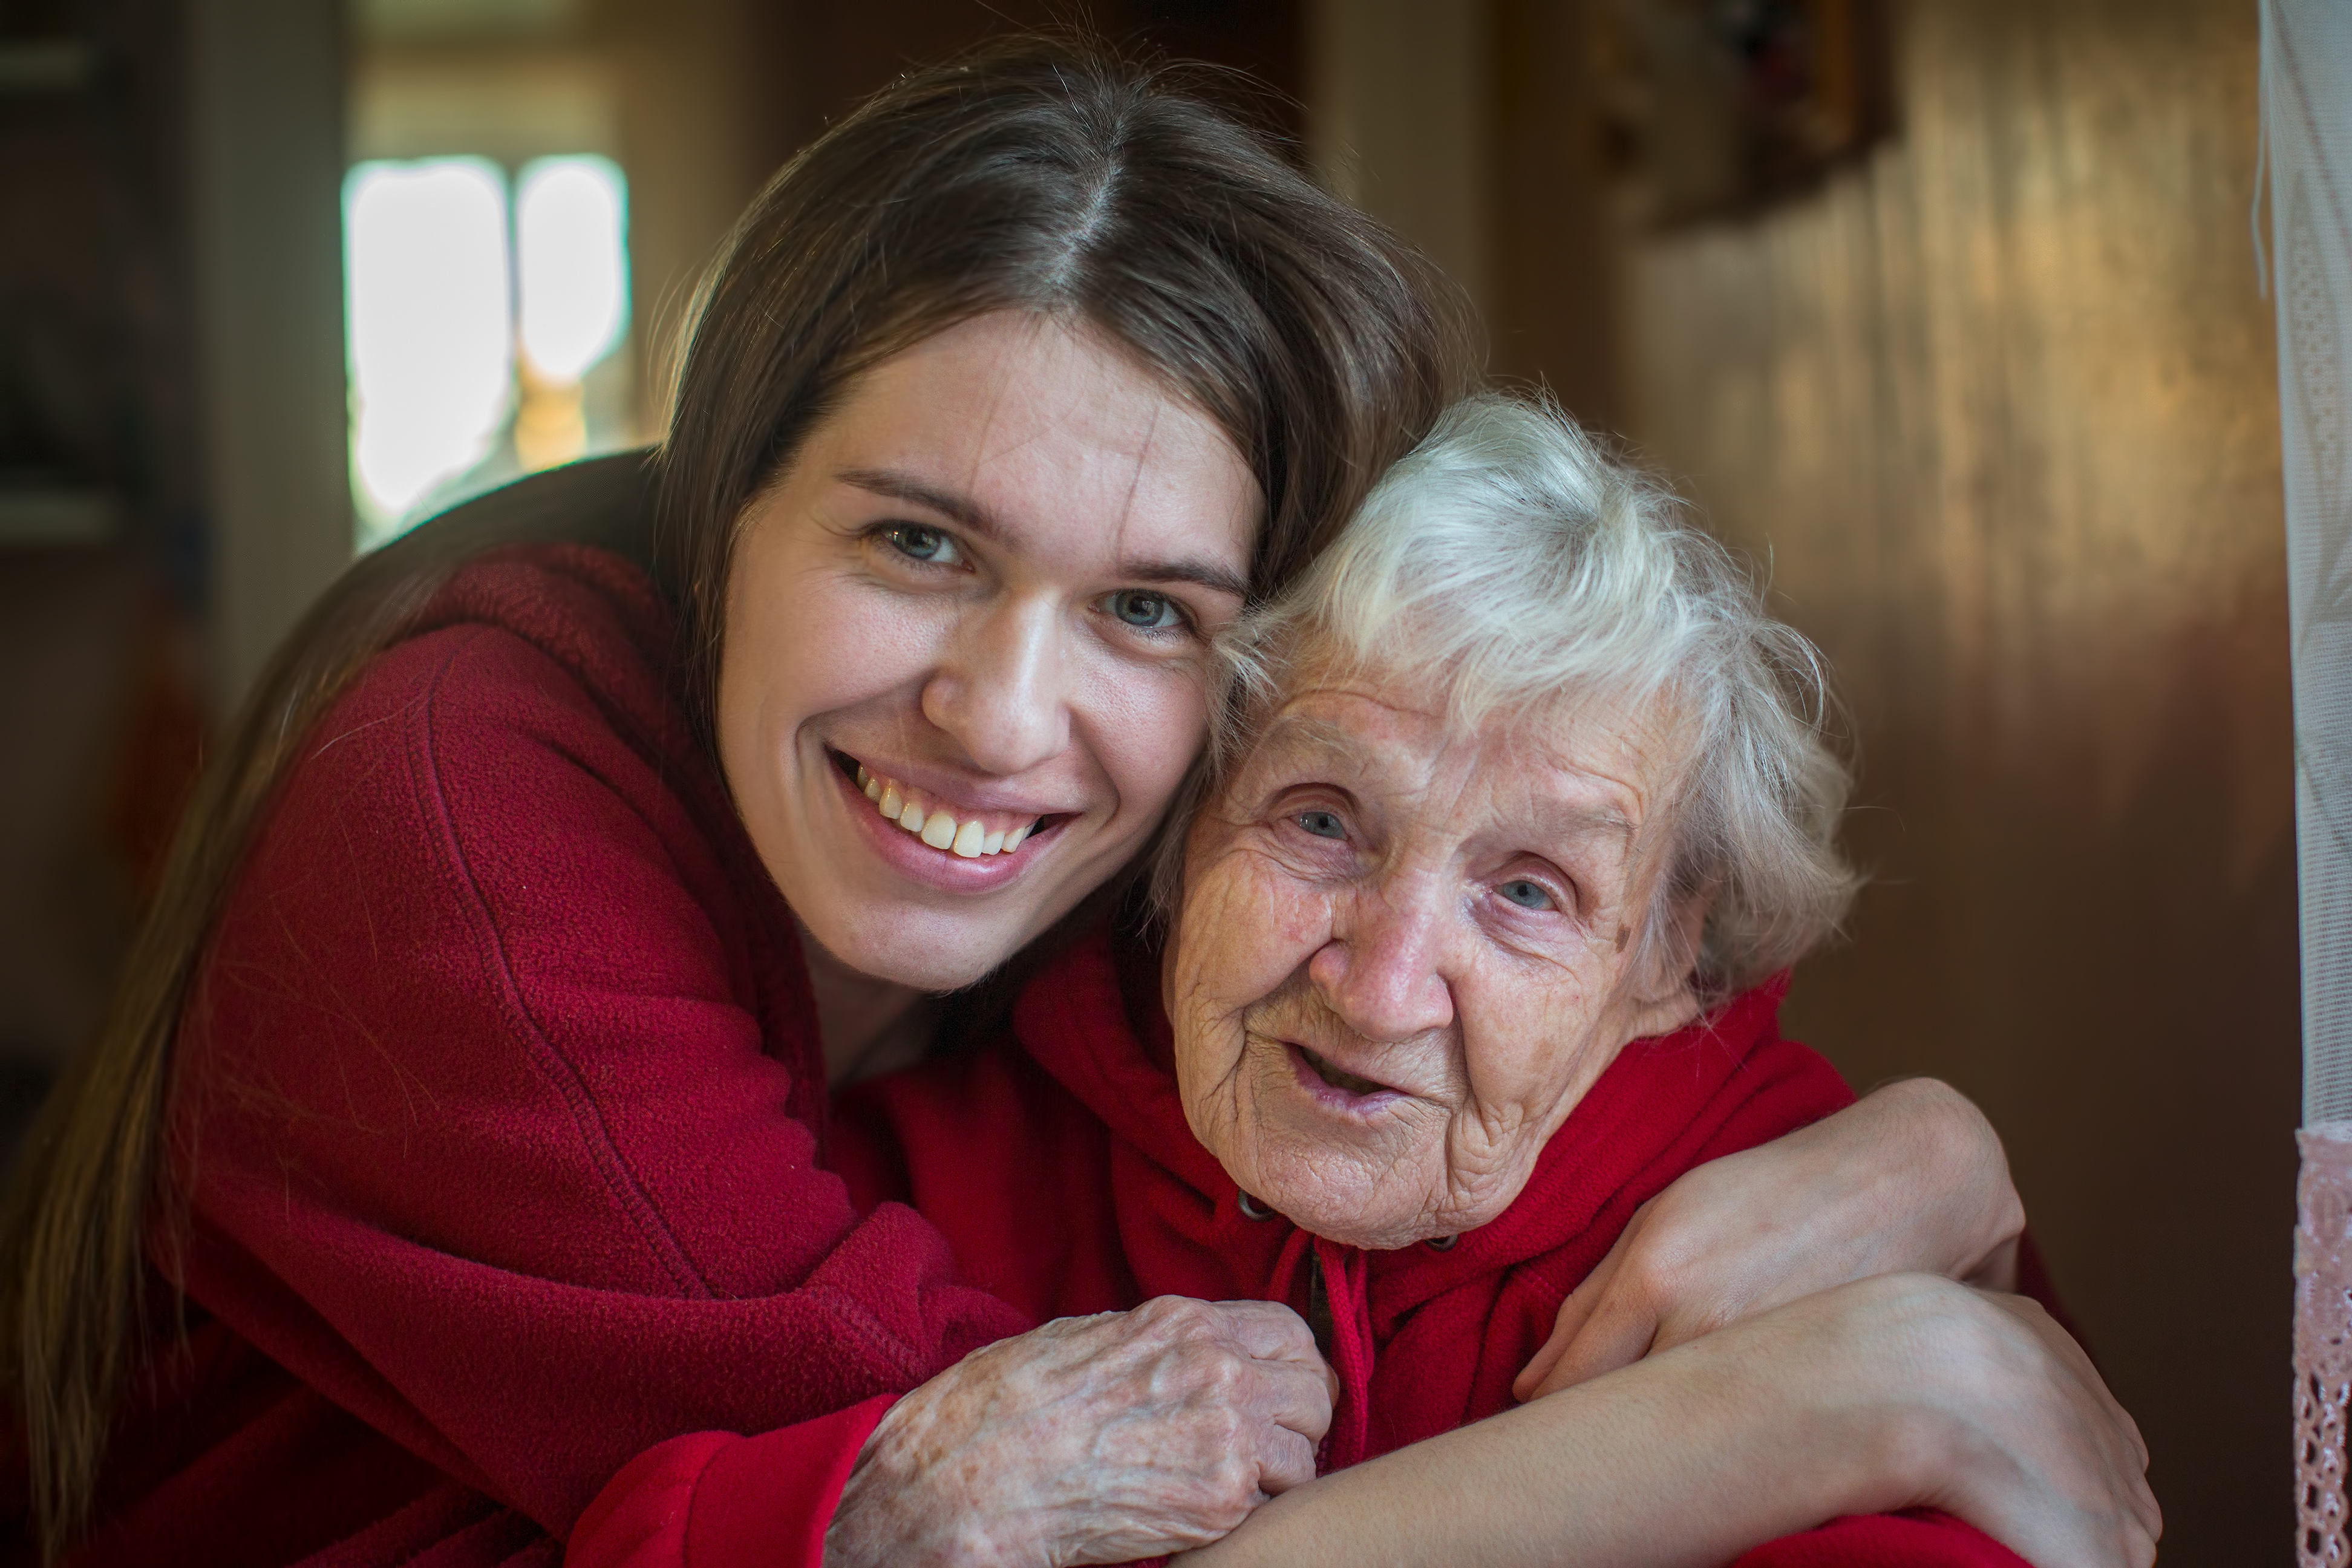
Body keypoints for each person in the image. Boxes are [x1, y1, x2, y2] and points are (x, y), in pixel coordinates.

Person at [0, 42, 2040, 1568]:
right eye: (913, 542)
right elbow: (1010, 1502)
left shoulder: (1175, 893)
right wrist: (1854, 1393)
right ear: (725, 505)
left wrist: (1939, 1163)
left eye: (1147, 606)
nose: (998, 715)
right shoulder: (465, 802)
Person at [827, 395, 2157, 1567]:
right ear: (1191, 813)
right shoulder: (902, 1189)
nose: (1382, 988)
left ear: (1669, 956)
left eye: (1529, 891)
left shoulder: (1806, 1230)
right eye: (1323, 820)